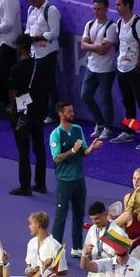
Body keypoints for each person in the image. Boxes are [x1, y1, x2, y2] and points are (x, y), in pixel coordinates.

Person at [50, 99, 105, 250]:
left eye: (72, 110)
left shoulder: (78, 129)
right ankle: (55, 250)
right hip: (64, 181)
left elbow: (84, 152)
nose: (73, 113)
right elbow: (56, 158)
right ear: (61, 114)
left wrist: (92, 147)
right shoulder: (56, 134)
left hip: (79, 179)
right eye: (69, 111)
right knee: (61, 216)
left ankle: (77, 247)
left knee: (79, 214)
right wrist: (73, 150)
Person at [111, 0, 140, 149]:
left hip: (135, 70)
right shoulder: (119, 23)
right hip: (122, 69)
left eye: (119, 4)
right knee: (128, 103)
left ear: (127, 5)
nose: (116, 7)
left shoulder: (139, 24)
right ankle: (130, 131)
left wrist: (138, 66)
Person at [9, 34, 48, 196]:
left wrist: (12, 110)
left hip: (22, 113)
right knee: (39, 148)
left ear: (20, 47)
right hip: (38, 111)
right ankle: (40, 184)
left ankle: (25, 185)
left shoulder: (16, 68)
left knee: (23, 149)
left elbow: (13, 93)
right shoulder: (39, 66)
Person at [79, 0, 119, 142]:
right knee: (85, 95)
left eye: (99, 9)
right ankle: (100, 123)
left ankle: (108, 128)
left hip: (106, 69)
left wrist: (90, 46)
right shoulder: (90, 24)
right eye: (94, 9)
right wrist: (96, 46)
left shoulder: (112, 27)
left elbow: (104, 51)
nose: (96, 12)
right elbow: (83, 46)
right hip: (91, 67)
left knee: (105, 99)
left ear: (106, 9)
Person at [25, 0, 61, 120]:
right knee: (32, 85)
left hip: (47, 53)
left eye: (34, 1)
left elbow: (55, 33)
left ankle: (54, 114)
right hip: (34, 53)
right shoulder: (31, 9)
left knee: (49, 84)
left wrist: (37, 38)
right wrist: (27, 39)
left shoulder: (51, 10)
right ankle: (31, 111)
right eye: (30, 1)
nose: (32, 3)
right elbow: (28, 29)